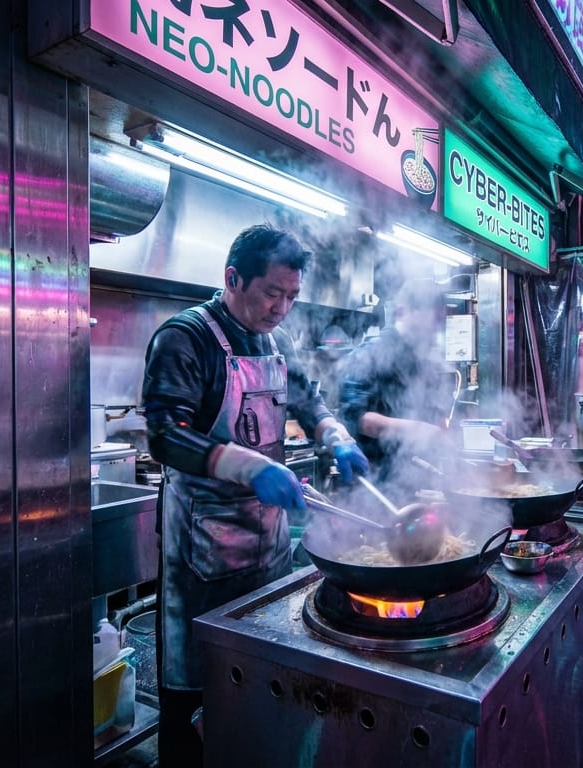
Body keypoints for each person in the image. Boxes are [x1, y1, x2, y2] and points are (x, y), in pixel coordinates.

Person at [141, 224, 370, 766]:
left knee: (259, 690)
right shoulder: (185, 338)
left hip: (268, 549)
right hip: (202, 556)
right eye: (271, 293)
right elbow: (165, 435)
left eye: (291, 296)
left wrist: (336, 435)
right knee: (197, 696)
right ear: (233, 279)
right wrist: (250, 466)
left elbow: (309, 403)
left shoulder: (277, 343)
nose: (281, 308)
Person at [336, 277, 457, 494]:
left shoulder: (423, 360)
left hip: (417, 480)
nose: (435, 331)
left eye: (439, 322)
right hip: (375, 485)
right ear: (404, 311)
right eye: (431, 321)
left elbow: (433, 414)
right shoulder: (371, 353)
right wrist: (419, 430)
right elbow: (357, 419)